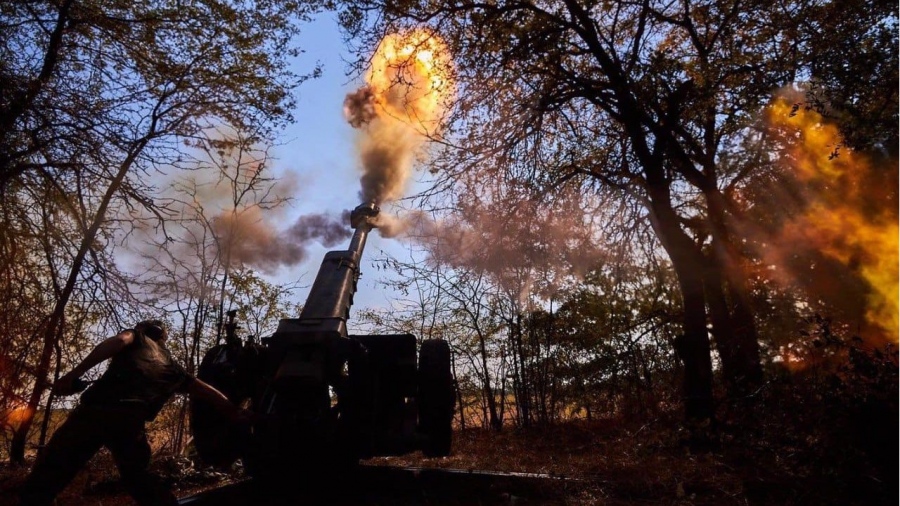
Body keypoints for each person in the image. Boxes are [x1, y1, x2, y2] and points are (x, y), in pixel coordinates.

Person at [19, 320, 248, 506]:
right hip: (130, 422)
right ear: (162, 338)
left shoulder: (137, 337)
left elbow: (119, 341)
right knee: (139, 478)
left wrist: (73, 374)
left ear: (143, 330)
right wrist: (235, 412)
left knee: (51, 472)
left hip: (95, 413)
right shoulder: (173, 368)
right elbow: (208, 391)